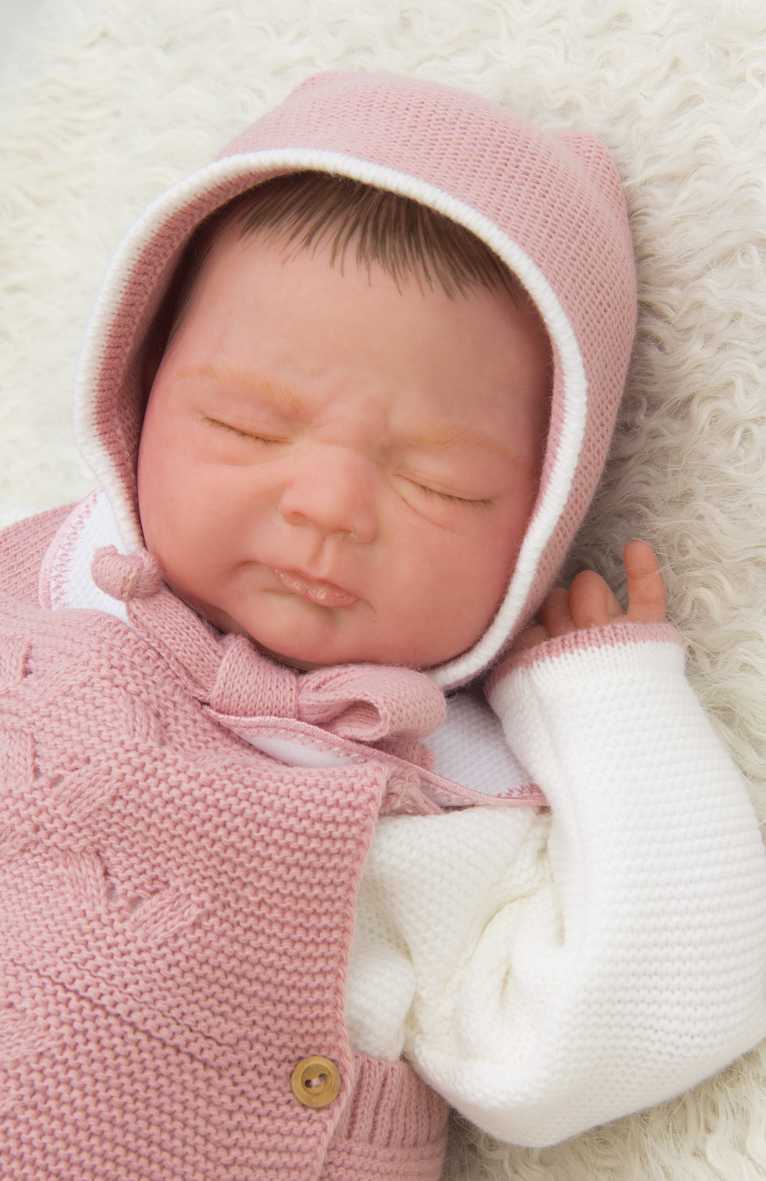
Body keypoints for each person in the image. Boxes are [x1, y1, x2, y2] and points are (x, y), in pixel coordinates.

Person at [1, 67, 765, 1181]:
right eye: (247, 425)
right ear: (138, 389)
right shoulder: (33, 592)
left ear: (542, 528)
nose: (328, 504)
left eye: (440, 484)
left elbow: (655, 1006)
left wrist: (607, 706)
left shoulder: (443, 801)